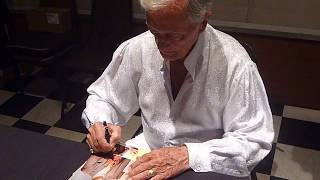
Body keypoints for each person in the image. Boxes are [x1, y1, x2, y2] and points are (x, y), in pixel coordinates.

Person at [82, 0, 274, 179]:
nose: (161, 45)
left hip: (206, 163)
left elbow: (254, 139)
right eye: (154, 32)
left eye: (174, 35)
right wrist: (101, 123)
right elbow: (105, 97)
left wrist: (188, 155)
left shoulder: (235, 63)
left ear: (203, 23)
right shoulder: (138, 47)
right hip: (148, 150)